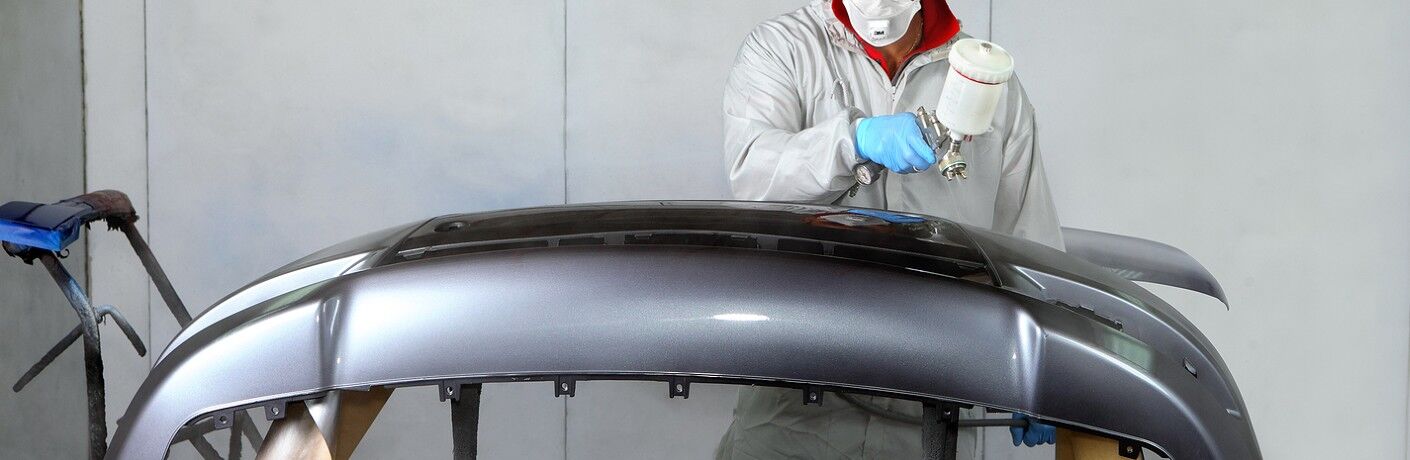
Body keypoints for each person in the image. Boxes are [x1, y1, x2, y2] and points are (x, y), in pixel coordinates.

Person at [718, 0, 1064, 458]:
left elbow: (1030, 237)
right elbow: (754, 180)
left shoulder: (989, 79)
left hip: (930, 393)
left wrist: (1046, 370)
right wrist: (852, 141)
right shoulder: (785, 49)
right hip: (797, 384)